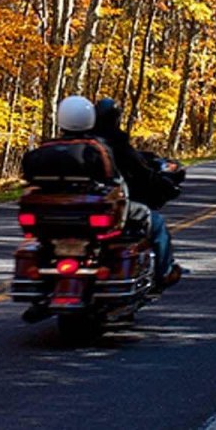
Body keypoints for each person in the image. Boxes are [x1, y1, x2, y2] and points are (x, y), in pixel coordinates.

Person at [91, 97, 181, 290]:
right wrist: (163, 184)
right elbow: (140, 172)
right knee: (155, 223)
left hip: (64, 214)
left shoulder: (61, 148)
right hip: (103, 208)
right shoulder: (111, 144)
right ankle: (164, 273)